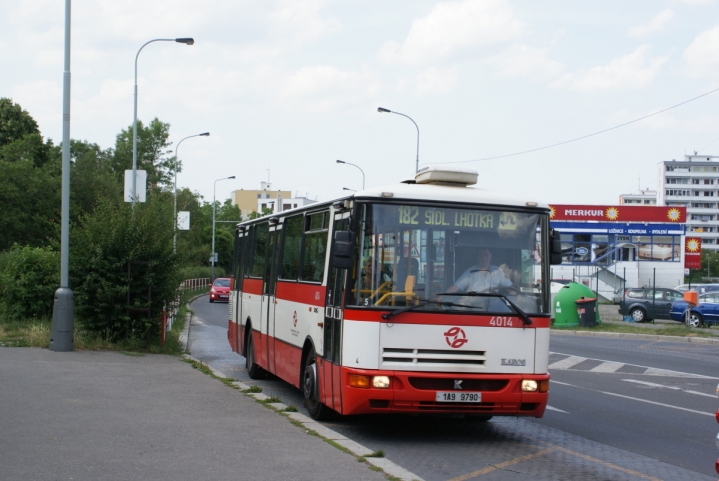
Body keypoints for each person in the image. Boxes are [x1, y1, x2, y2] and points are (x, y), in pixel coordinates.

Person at [445, 248, 513, 294]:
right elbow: (455, 287)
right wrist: (441, 298)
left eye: (486, 255)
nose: (483, 257)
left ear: (490, 256)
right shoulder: (470, 271)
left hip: (494, 307)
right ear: (477, 257)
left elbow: (511, 289)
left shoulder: (498, 271)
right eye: (481, 255)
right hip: (474, 307)